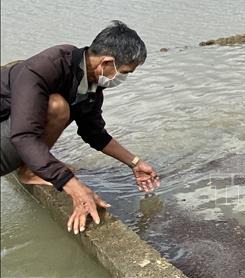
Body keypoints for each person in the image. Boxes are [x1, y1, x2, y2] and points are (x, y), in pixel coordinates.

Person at [0, 20, 160, 234]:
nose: (124, 78)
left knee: (58, 105)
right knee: (56, 105)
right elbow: (24, 136)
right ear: (106, 62)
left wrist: (134, 162)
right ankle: (29, 170)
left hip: (11, 133)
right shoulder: (47, 66)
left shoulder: (91, 85)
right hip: (10, 137)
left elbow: (94, 134)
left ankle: (33, 167)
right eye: (125, 72)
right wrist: (71, 184)